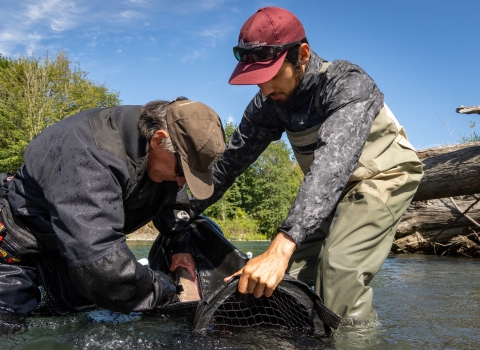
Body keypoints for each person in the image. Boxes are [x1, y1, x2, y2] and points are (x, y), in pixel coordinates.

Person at [190, 6, 424, 321]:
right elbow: (226, 167)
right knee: (279, 282)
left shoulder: (347, 83)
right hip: (326, 191)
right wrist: (176, 213)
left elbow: (331, 166)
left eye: (272, 76)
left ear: (302, 54)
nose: (265, 88)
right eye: (256, 80)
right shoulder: (268, 103)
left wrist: (280, 247)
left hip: (383, 177)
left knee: (338, 270)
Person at [0, 97, 225, 319]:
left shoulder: (163, 155)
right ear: (158, 140)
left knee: (80, 318)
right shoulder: (88, 156)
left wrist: (180, 248)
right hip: (20, 247)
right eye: (181, 172)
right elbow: (101, 267)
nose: (181, 182)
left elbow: (173, 200)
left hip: (67, 255)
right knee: (8, 326)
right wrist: (166, 291)